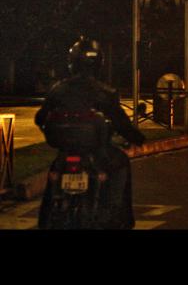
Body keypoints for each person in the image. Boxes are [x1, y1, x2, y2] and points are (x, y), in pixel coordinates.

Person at [35, 36, 145, 229]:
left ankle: (46, 220)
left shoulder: (57, 90)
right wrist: (137, 138)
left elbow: (40, 118)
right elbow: (121, 123)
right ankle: (120, 218)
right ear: (99, 64)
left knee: (53, 178)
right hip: (97, 152)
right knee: (121, 164)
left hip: (65, 151)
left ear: (72, 63)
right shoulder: (105, 92)